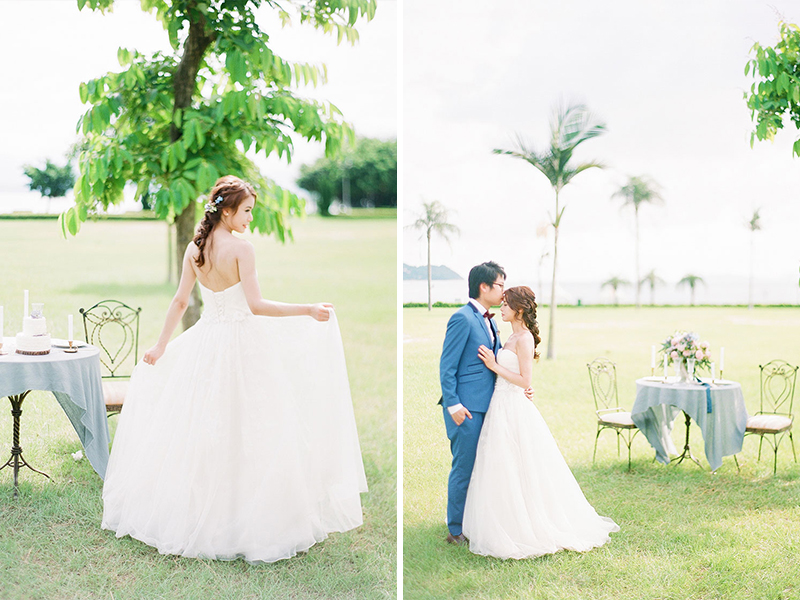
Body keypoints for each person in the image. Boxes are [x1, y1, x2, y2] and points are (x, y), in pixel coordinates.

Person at [101, 175, 367, 564]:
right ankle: (245, 515)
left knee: (206, 425)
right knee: (253, 425)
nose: (250, 219)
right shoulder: (243, 250)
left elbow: (179, 302)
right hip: (243, 342)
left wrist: (161, 345)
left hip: (206, 340)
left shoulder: (195, 249)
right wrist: (307, 309)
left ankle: (212, 508)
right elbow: (256, 305)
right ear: (226, 211)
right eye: (245, 211)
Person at [462, 286, 619, 559]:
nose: (501, 308)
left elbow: (525, 381)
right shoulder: (508, 335)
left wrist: (494, 365)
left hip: (514, 406)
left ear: (519, 310)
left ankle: (528, 523)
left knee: (522, 463)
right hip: (500, 404)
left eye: (506, 305)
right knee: (500, 463)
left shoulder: (524, 339)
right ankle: (502, 518)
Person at [438, 261, 506, 545]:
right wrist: (453, 405)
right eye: (500, 285)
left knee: (485, 466)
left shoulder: (490, 320)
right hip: (465, 409)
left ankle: (474, 519)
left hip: (490, 405)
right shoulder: (462, 318)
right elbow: (447, 365)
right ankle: (455, 529)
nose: (504, 291)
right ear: (484, 286)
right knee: (464, 466)